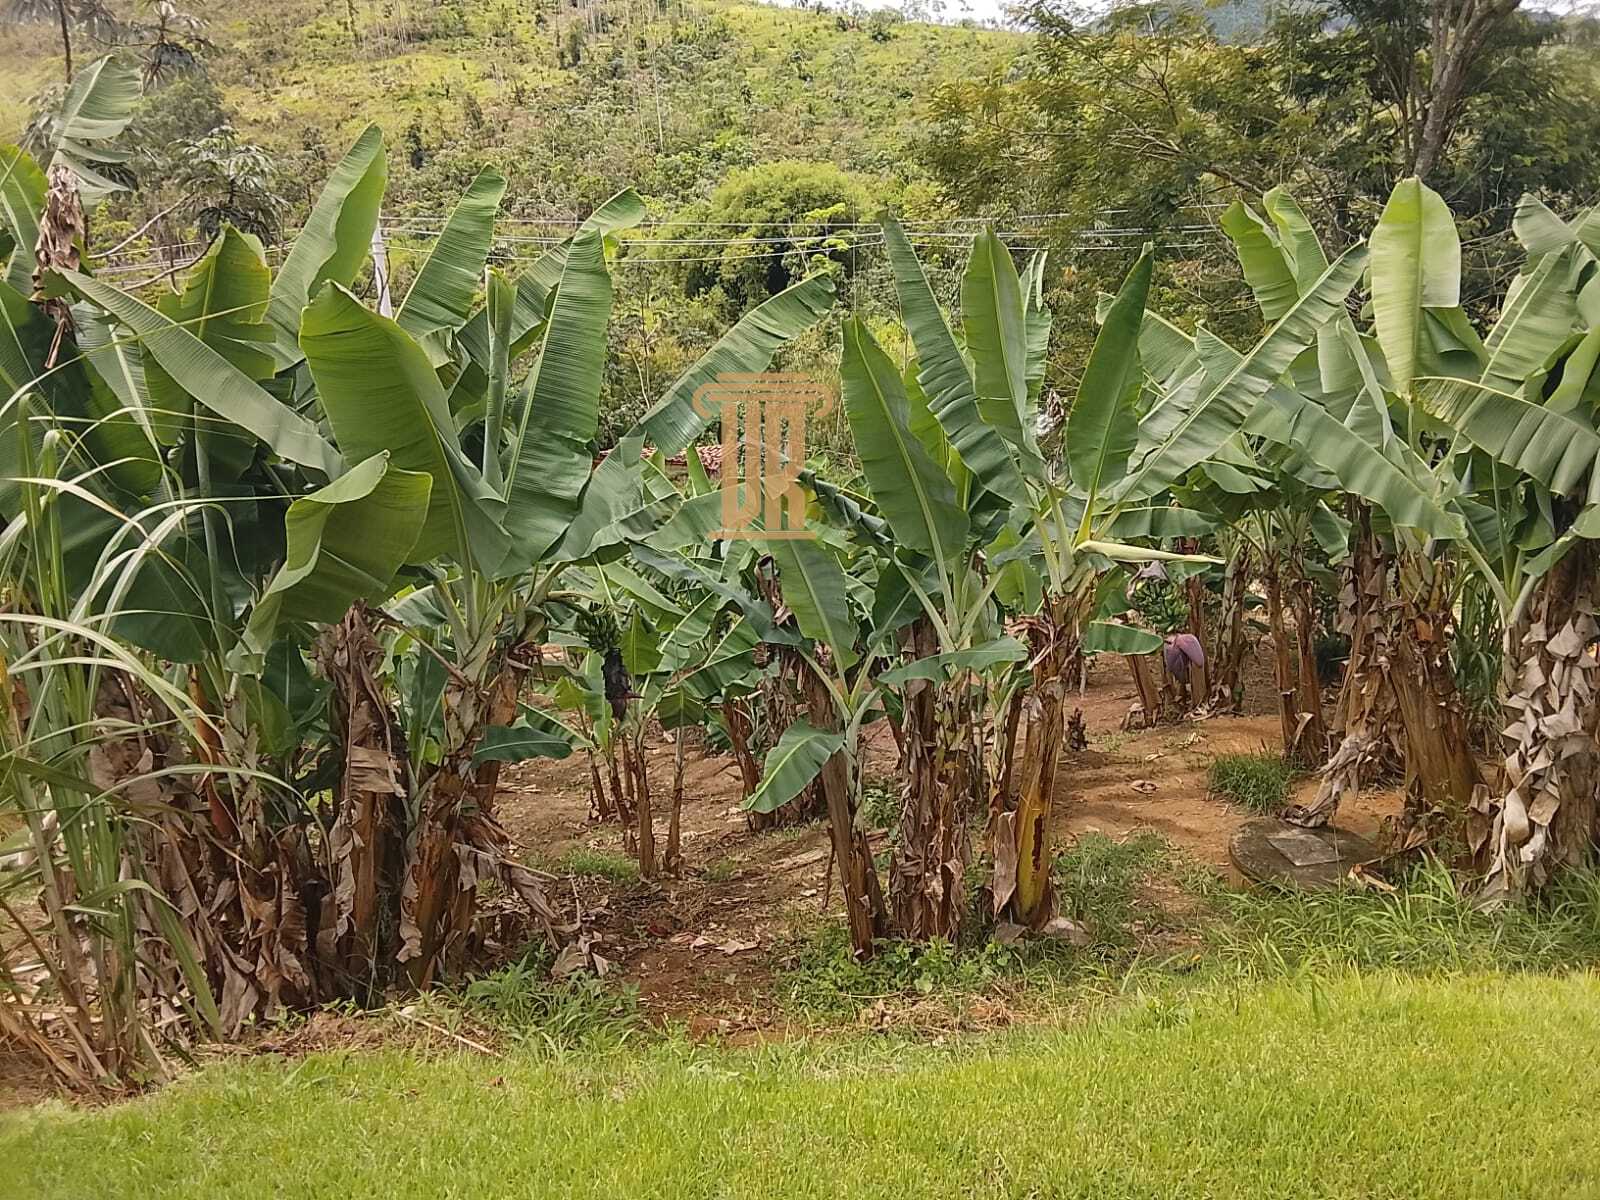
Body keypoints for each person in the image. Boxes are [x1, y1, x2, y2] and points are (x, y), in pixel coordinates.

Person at [1162, 632, 1205, 708]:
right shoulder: (1172, 647)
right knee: (1179, 677)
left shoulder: (1184, 640)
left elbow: (1199, 662)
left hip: (1179, 668)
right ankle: (1180, 698)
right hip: (1176, 670)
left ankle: (1183, 697)